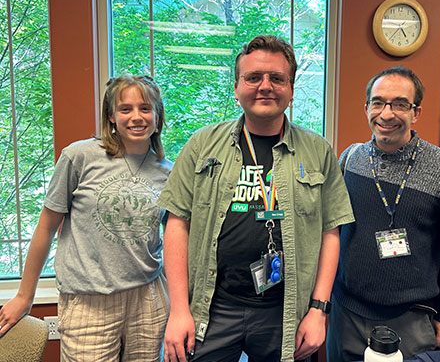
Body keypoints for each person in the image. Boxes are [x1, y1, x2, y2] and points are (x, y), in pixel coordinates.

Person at [158, 34, 354, 362]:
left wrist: (318, 311)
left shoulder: (318, 151)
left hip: (286, 312)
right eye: (253, 77)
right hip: (214, 308)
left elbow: (330, 233)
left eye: (277, 78)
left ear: (290, 90)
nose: (265, 86)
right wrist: (179, 311)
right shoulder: (202, 144)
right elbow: (177, 224)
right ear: (237, 89)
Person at [0, 75, 172, 361]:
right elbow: (45, 228)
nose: (136, 117)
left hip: (148, 299)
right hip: (88, 301)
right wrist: (24, 295)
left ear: (157, 116)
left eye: (145, 108)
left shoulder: (167, 170)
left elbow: (179, 240)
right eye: (125, 109)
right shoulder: (79, 157)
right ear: (111, 117)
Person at [327, 66, 440, 360]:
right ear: (367, 107)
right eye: (378, 102)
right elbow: (332, 230)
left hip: (412, 319)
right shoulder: (350, 158)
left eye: (399, 104)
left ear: (415, 112)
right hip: (347, 313)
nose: (386, 114)